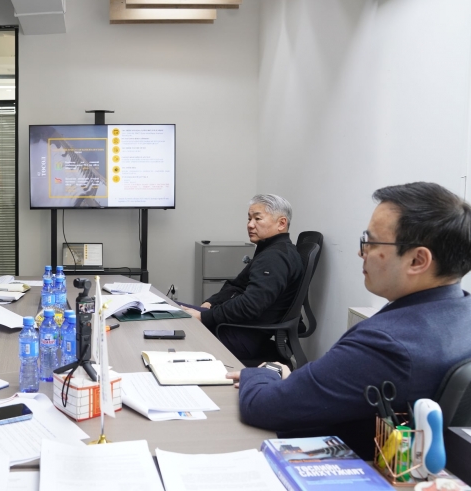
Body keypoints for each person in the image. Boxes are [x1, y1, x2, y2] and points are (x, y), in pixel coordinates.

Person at [231, 182, 471, 459]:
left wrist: (264, 372)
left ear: (418, 260)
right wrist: (296, 383)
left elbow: (263, 407)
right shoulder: (460, 312)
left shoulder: (385, 342)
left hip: (332, 459)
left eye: (371, 242)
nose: (361, 252)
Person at [181, 194, 303, 359]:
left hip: (238, 336)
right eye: (249, 219)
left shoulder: (275, 257)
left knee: (168, 317)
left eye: (257, 219)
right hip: (235, 329)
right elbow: (237, 285)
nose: (250, 225)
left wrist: (205, 316)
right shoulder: (270, 250)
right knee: (170, 309)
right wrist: (211, 303)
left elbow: (250, 304)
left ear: (281, 223)